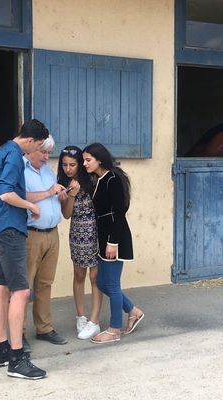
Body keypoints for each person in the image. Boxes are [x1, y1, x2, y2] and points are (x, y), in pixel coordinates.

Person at [0, 119, 48, 380]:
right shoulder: (13, 155)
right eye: (40, 146)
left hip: (1, 230)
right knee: (21, 292)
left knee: (2, 288)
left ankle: (2, 350)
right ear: (30, 140)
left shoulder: (0, 153)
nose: (39, 151)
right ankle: (17, 360)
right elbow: (6, 195)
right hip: (11, 230)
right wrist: (30, 207)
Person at [82, 143, 145, 344]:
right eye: (84, 160)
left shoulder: (112, 178)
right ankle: (133, 311)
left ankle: (114, 329)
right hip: (104, 237)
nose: (85, 164)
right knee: (101, 283)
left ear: (99, 159)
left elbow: (119, 211)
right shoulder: (98, 179)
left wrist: (113, 242)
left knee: (111, 284)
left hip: (114, 238)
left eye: (88, 160)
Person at [23, 135, 69, 346]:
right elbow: (20, 196)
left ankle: (44, 328)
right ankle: (18, 332)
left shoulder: (48, 171)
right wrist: (50, 191)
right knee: (24, 285)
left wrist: (60, 197)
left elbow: (50, 196)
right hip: (31, 234)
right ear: (30, 149)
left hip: (52, 233)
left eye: (49, 152)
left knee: (45, 283)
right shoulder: (20, 169)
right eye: (43, 152)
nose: (46, 156)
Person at [57, 146, 103, 340]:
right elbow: (67, 215)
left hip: (96, 230)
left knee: (95, 276)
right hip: (77, 231)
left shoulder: (92, 179)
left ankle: (95, 320)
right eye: (65, 165)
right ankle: (81, 317)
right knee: (78, 274)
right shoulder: (63, 184)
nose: (68, 169)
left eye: (73, 165)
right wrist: (71, 195)